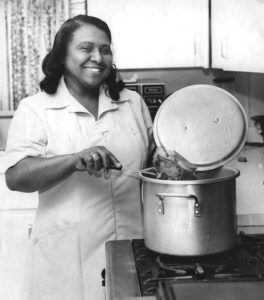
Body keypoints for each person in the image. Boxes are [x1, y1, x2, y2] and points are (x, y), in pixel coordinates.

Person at [4, 15, 154, 300]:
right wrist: (73, 160)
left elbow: (151, 157)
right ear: (62, 55)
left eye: (105, 49)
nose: (97, 57)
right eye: (86, 48)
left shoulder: (131, 102)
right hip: (67, 258)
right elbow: (16, 176)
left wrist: (165, 159)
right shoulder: (36, 108)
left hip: (131, 248)